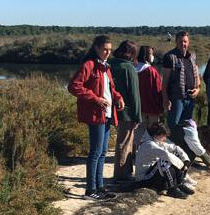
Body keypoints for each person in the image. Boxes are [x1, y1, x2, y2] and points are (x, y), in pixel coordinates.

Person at [68, 35, 125, 199]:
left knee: (103, 151)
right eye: (104, 49)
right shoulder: (89, 65)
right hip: (95, 114)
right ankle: (90, 190)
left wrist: (118, 97)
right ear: (96, 48)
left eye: (110, 50)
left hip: (107, 113)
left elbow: (109, 89)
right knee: (95, 152)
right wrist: (95, 99)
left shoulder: (105, 66)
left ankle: (99, 187)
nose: (108, 52)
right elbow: (73, 86)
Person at [134, 122, 195, 199]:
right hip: (143, 179)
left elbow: (175, 148)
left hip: (152, 174)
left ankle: (179, 184)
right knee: (165, 161)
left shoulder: (155, 141)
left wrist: (186, 160)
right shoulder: (148, 144)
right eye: (163, 136)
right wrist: (182, 166)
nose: (165, 139)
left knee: (175, 155)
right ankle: (172, 189)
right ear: (157, 135)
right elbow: (166, 155)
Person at [110, 40, 142, 182]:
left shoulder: (110, 64)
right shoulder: (128, 68)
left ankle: (124, 172)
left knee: (121, 141)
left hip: (111, 108)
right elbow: (134, 95)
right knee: (125, 142)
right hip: (127, 111)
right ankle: (122, 174)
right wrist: (137, 116)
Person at [162, 31, 199, 130]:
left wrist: (198, 89)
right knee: (174, 126)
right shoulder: (169, 57)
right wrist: (165, 99)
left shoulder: (192, 56)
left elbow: (197, 75)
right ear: (176, 42)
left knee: (187, 127)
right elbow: (165, 80)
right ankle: (173, 144)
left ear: (188, 42)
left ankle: (184, 145)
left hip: (190, 98)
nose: (183, 44)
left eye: (185, 41)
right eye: (181, 41)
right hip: (176, 98)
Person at [134, 45, 163, 151]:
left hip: (138, 107)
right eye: (151, 54)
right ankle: (151, 151)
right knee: (153, 130)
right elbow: (158, 89)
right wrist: (160, 106)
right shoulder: (151, 71)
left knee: (139, 130)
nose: (152, 56)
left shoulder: (134, 69)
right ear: (146, 55)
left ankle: (135, 151)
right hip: (151, 106)